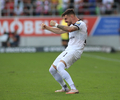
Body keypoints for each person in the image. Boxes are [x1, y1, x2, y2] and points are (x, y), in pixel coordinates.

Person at [41, 9, 87, 94]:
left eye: (66, 18)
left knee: (60, 66)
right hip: (68, 49)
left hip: (75, 50)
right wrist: (47, 27)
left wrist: (56, 24)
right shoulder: (71, 25)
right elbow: (59, 31)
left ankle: (73, 88)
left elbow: (70, 29)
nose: (65, 21)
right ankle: (65, 87)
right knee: (52, 70)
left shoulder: (80, 24)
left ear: (72, 16)